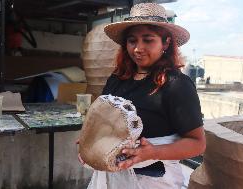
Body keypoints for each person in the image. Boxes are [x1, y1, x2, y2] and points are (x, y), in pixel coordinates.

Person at [80, 2, 206, 189]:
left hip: (154, 181)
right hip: (111, 178)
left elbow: (197, 143)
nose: (138, 48)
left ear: (166, 42)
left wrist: (152, 152)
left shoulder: (177, 85)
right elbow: (103, 120)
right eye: (132, 41)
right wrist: (91, 139)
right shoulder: (117, 79)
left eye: (148, 40)